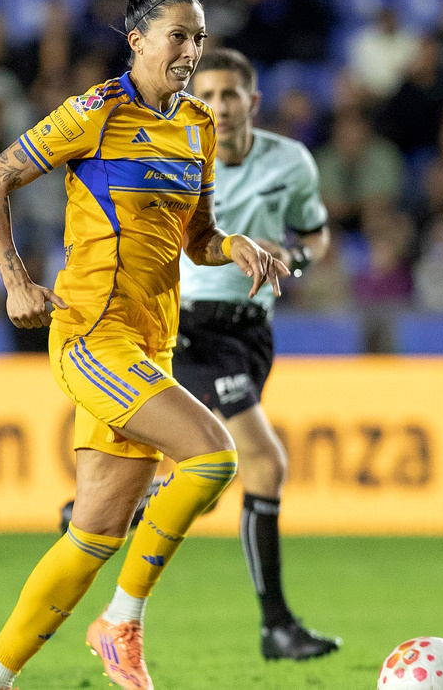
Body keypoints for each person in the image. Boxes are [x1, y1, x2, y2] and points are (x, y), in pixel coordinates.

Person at [0, 0, 287, 690]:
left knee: (94, 535)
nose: (191, 52)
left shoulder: (198, 128)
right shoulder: (95, 113)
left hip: (151, 343)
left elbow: (197, 238)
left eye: (199, 39)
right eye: (177, 36)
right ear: (137, 40)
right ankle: (120, 623)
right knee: (213, 456)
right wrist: (15, 280)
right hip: (89, 336)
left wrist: (232, 245)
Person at [172, 48, 339, 660]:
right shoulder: (180, 157)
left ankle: (96, 511)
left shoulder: (290, 162)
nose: (217, 106)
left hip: (253, 332)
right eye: (206, 96)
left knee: (205, 480)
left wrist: (291, 258)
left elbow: (315, 235)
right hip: (191, 327)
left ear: (252, 102)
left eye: (229, 95)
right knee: (263, 464)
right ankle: (276, 627)